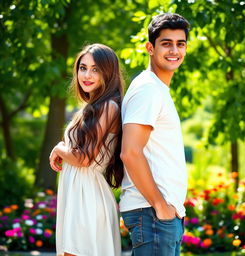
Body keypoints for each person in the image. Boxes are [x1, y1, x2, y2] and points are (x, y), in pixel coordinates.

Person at [120, 13, 190, 256]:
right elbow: (130, 152)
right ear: (150, 47)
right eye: (166, 43)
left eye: (180, 43)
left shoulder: (156, 89)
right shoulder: (148, 89)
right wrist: (161, 206)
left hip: (159, 216)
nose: (174, 50)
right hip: (152, 215)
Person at [49, 43, 124, 256]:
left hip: (88, 196)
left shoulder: (109, 106)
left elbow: (84, 159)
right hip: (77, 194)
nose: (87, 75)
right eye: (83, 68)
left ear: (108, 73)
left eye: (95, 69)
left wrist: (59, 148)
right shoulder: (89, 108)